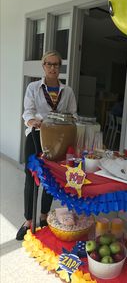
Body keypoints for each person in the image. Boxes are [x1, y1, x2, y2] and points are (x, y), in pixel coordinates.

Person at [16, 50, 77, 240]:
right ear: (43, 66)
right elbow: (27, 112)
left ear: (60, 67)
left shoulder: (67, 91)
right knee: (30, 177)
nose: (52, 68)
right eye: (49, 64)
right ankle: (28, 221)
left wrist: (64, 124)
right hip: (35, 137)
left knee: (51, 180)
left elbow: (73, 115)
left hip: (57, 141)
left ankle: (43, 217)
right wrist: (32, 122)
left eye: (56, 64)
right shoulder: (33, 87)